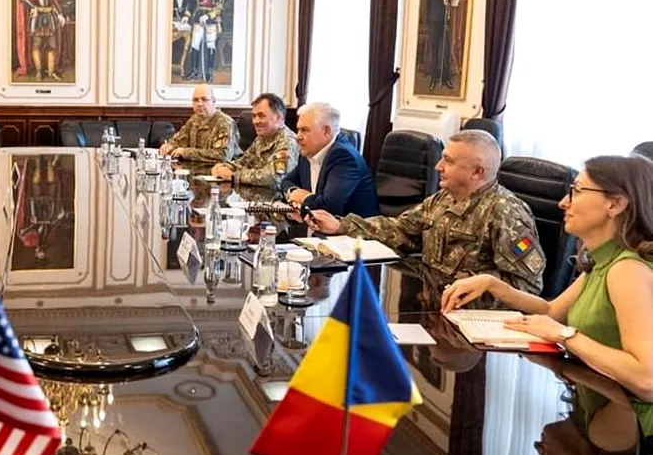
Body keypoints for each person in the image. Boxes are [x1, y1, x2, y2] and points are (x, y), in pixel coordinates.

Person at [442, 155, 653, 402]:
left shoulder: (627, 270)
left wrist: (565, 335)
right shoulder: (604, 259)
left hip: (630, 416)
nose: (563, 202)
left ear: (615, 204)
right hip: (602, 400)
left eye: (576, 191)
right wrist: (493, 284)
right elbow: (552, 311)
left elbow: (647, 379)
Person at [308, 130, 545, 293]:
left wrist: (472, 291)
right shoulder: (443, 199)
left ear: (477, 172)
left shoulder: (506, 213)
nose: (438, 167)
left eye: (448, 161)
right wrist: (341, 225)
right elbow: (401, 230)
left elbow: (528, 286)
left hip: (469, 319)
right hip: (429, 302)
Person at [280, 102, 379, 217]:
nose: (298, 136)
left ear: (326, 131)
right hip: (314, 224)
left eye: (304, 130)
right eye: (298, 130)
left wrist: (303, 197)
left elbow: (328, 207)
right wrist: (293, 192)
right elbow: (287, 181)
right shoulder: (308, 151)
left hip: (353, 227)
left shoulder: (343, 156)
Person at [211, 93, 297, 189]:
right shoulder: (261, 138)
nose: (256, 121)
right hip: (258, 194)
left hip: (278, 196)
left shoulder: (288, 141)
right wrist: (224, 167)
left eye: (261, 116)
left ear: (278, 117)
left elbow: (274, 177)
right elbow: (244, 161)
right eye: (254, 116)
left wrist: (234, 176)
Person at [15, 0, 67, 81]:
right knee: (36, 45)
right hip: (37, 18)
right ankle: (39, 72)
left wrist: (60, 14)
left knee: (52, 45)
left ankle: (51, 71)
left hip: (50, 17)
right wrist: (33, 7)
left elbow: (55, 2)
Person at [158, 85, 240, 163]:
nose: (199, 104)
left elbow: (223, 155)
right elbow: (179, 140)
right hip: (196, 169)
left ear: (213, 101)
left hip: (222, 171)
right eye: (195, 100)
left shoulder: (225, 123)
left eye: (204, 99)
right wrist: (169, 146)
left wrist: (186, 153)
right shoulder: (194, 120)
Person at [183, 0, 225, 82]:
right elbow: (191, 0)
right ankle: (194, 71)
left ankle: (209, 73)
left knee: (210, 45)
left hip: (211, 19)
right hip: (198, 16)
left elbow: (220, 4)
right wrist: (187, 15)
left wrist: (209, 15)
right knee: (194, 44)